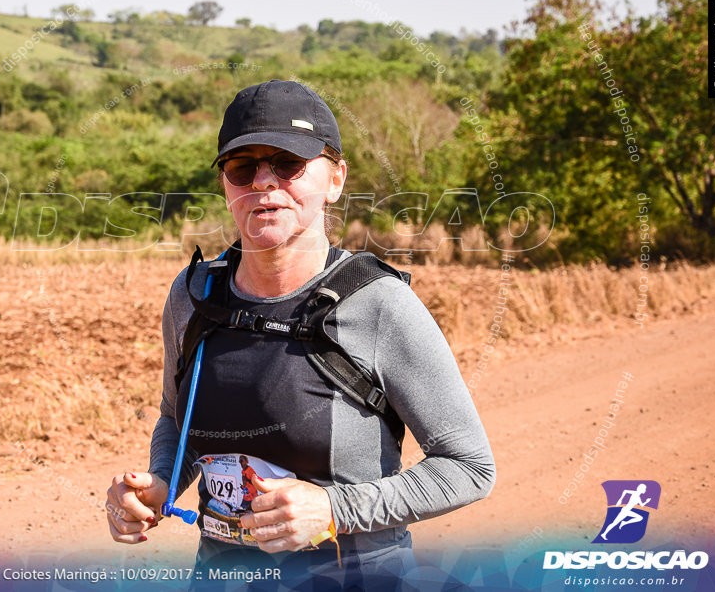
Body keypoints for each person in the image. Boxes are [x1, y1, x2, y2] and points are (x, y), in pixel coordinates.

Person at [106, 79, 495, 589]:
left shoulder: (379, 303)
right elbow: (177, 420)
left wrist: (335, 508)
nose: (264, 183)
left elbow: (469, 467)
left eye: (289, 164)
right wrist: (161, 484)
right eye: (242, 167)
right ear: (226, 185)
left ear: (335, 179)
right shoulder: (194, 296)